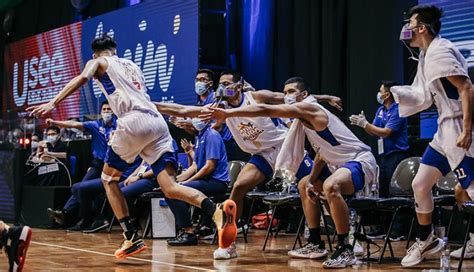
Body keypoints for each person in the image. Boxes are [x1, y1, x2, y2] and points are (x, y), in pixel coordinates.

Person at [27, 35, 237, 260]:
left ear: (95, 53)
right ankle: (217, 213)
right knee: (171, 188)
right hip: (157, 123)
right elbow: (158, 105)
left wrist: (53, 103)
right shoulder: (133, 66)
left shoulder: (98, 62)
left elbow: (82, 78)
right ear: (115, 49)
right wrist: (194, 112)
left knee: (108, 180)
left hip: (132, 121)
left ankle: (131, 237)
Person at [157, 71, 341, 260]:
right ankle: (229, 244)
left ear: (239, 85)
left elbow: (290, 98)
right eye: (221, 84)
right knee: (239, 186)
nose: (223, 88)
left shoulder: (256, 96)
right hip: (261, 155)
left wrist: (325, 98)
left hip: (284, 147)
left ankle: (346, 237)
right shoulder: (220, 107)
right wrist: (152, 106)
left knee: (317, 186)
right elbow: (184, 110)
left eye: (227, 83)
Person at [203, 77, 377, 268]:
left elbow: (265, 109)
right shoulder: (301, 121)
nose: (286, 96)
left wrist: (227, 114)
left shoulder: (309, 109)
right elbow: (321, 153)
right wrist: (311, 180)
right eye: (285, 93)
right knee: (304, 185)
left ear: (304, 95)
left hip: (358, 159)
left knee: (330, 187)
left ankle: (346, 245)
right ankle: (315, 242)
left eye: (291, 92)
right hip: (271, 153)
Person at [388, 5, 473, 267]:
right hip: (443, 131)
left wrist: (468, 130)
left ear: (421, 28)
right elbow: (424, 96)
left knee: (470, 189)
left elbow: (467, 88)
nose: (407, 28)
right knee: (420, 184)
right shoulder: (427, 54)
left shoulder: (440, 52)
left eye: (410, 23)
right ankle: (427, 240)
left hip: (459, 128)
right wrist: (398, 93)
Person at [46, 101, 117, 226]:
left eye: (109, 109)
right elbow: (74, 124)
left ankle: (84, 216)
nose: (106, 112)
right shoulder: (95, 124)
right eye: (104, 109)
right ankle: (67, 213)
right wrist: (56, 123)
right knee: (81, 187)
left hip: (114, 165)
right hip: (98, 164)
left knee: (86, 188)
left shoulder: (120, 125)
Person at [167, 118, 229, 246]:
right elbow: (195, 165)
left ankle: (188, 232)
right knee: (171, 190)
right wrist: (176, 181)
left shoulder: (212, 135)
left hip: (216, 182)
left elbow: (209, 167)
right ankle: (192, 228)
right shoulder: (199, 136)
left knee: (174, 193)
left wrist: (185, 184)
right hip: (205, 180)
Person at [350, 81, 409, 198]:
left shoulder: (398, 110)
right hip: (384, 156)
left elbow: (387, 132)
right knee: (383, 189)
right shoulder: (381, 110)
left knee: (394, 189)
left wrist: (366, 124)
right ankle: (385, 215)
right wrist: (363, 124)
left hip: (397, 155)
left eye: (380, 91)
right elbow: (373, 132)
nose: (378, 94)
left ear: (387, 95)